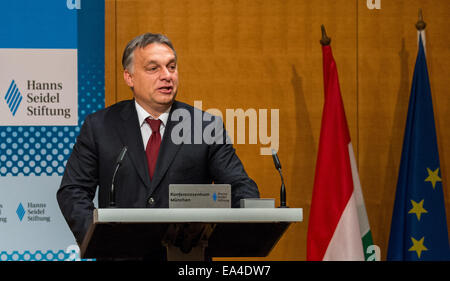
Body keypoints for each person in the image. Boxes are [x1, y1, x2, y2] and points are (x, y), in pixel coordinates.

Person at [56, 33, 260, 249]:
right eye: (153, 68)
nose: (167, 76)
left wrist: (221, 234)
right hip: (121, 255)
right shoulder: (100, 126)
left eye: (171, 67)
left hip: (186, 257)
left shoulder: (205, 126)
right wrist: (100, 239)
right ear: (129, 77)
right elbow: (72, 190)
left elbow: (241, 187)